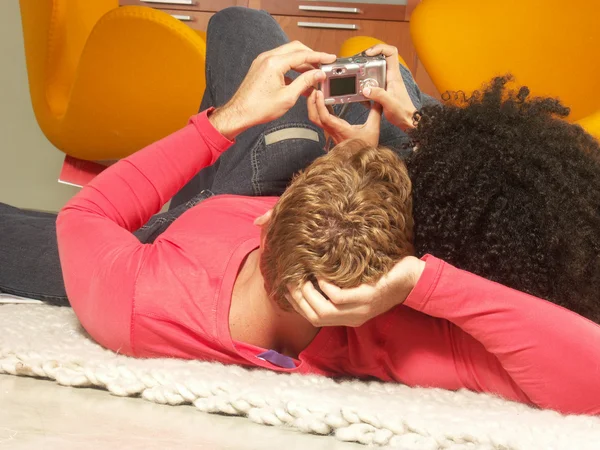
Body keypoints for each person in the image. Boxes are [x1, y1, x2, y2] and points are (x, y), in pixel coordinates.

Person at [0, 7, 598, 416]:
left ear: (268, 219)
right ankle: (396, 127)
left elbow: (86, 215)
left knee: (241, 24)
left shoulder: (138, 302)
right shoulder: (399, 330)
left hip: (238, 190)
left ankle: (244, 159)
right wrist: (418, 271)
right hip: (333, 184)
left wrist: (226, 121)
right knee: (345, 65)